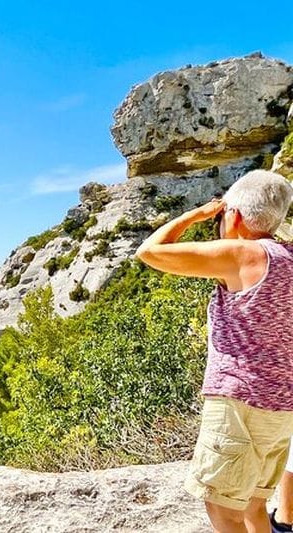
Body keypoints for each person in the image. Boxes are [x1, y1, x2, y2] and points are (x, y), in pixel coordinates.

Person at [136, 169, 293, 533]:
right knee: (254, 506)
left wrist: (199, 214)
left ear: (234, 215)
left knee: (223, 511)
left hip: (239, 402)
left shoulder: (242, 253)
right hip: (282, 404)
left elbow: (150, 251)